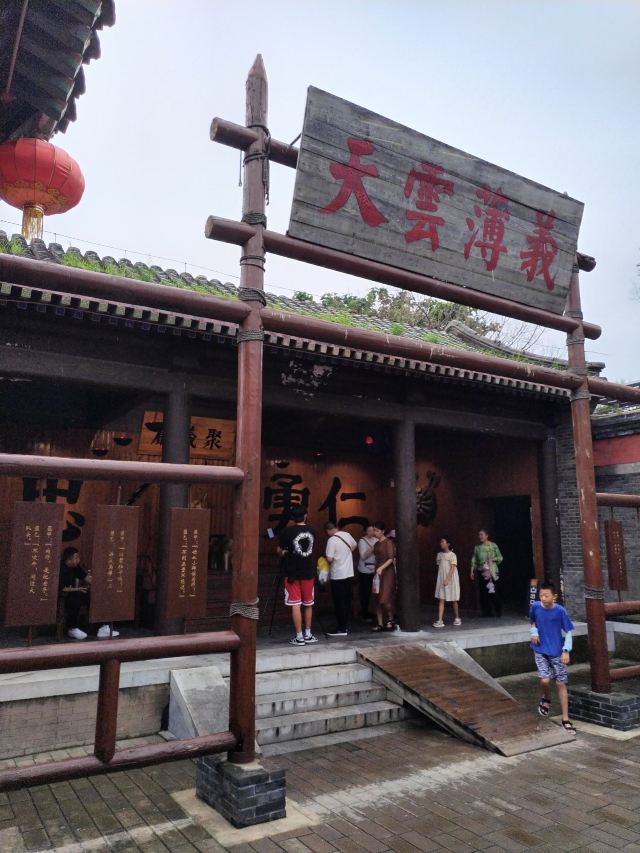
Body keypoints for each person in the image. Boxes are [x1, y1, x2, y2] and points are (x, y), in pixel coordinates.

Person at [530, 581, 576, 736]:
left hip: (557, 651)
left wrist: (566, 650)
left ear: (554, 597)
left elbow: (568, 631)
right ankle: (547, 697)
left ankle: (565, 719)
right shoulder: (535, 606)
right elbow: (532, 621)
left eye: (546, 596)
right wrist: (534, 632)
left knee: (561, 684)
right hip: (540, 649)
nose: (543, 598)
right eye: (541, 595)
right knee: (544, 680)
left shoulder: (560, 611)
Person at [58, 547, 119, 640]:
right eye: (76, 557)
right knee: (75, 598)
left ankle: (102, 627)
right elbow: (62, 588)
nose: (78, 560)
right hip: (64, 596)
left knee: (96, 596)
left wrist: (103, 585)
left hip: (76, 592)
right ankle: (72, 629)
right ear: (68, 559)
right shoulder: (61, 568)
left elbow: (87, 578)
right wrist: (77, 589)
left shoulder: (75, 567)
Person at [277, 506, 318, 646]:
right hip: (308, 571)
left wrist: (283, 552)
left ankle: (299, 637)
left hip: (291, 572)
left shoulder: (287, 532)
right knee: (308, 603)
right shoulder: (312, 530)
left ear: (292, 517)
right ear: (306, 515)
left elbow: (280, 550)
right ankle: (308, 634)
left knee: (295, 604)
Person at [324, 522, 357, 637]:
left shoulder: (331, 540)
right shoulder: (347, 535)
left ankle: (341, 628)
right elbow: (354, 546)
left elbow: (329, 559)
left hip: (337, 574)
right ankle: (345, 624)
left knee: (339, 601)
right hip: (348, 573)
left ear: (328, 530)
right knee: (346, 600)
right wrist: (345, 555)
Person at [470, 528, 503, 617]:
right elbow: (474, 560)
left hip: (492, 571)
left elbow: (500, 557)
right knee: (483, 592)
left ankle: (498, 610)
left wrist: (492, 559)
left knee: (494, 591)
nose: (480, 536)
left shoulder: (493, 546)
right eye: (479, 535)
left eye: (481, 534)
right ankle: (487, 612)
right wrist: (472, 571)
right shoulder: (477, 547)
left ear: (486, 536)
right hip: (482, 572)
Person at [371, 521, 397, 632]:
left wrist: (381, 567)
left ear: (383, 531)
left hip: (387, 571)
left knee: (385, 597)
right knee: (377, 596)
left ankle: (391, 619)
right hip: (377, 570)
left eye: (377, 531)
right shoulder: (376, 544)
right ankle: (380, 623)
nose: (375, 532)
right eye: (374, 530)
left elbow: (391, 558)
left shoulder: (388, 542)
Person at [433, 536, 461, 628]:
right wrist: (442, 579)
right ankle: (440, 620)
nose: (441, 543)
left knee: (454, 599)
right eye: (440, 542)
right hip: (442, 578)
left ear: (448, 544)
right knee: (441, 599)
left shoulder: (452, 555)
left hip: (451, 578)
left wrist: (447, 579)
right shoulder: (439, 555)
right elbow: (440, 567)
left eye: (443, 542)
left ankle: (457, 618)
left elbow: (452, 568)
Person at [357, 525, 377, 622]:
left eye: (373, 530)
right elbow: (363, 556)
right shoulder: (362, 541)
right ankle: (365, 612)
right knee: (365, 592)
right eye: (369, 530)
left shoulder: (376, 540)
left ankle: (373, 611)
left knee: (375, 591)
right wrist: (373, 548)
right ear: (365, 531)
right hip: (365, 570)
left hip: (375, 569)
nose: (371, 532)